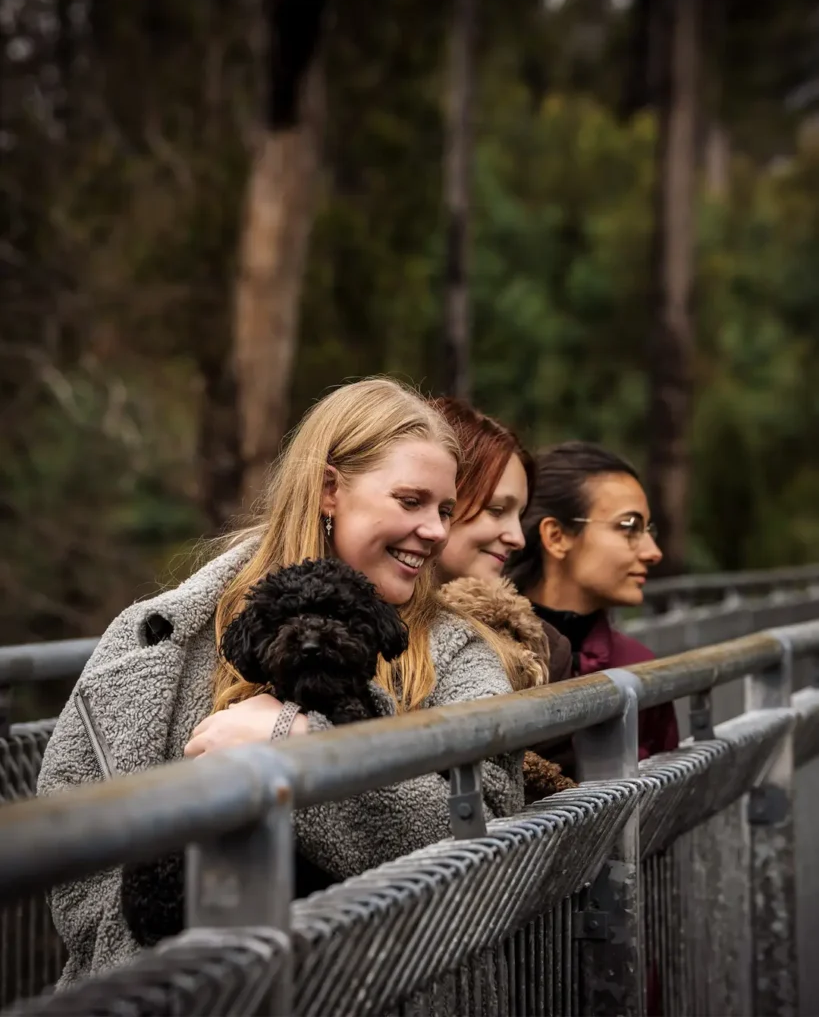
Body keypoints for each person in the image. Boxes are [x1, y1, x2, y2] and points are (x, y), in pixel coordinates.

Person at [38, 378, 524, 985]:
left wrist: (291, 744)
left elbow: (495, 834)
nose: (435, 531)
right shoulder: (162, 636)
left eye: (445, 510)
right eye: (410, 501)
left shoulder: (458, 656)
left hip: (370, 984)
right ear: (329, 490)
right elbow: (71, 831)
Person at [432, 398, 576, 799]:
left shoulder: (540, 650)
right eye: (497, 510)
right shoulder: (336, 623)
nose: (516, 537)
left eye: (519, 515)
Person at [506, 441, 679, 771]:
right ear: (557, 537)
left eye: (648, 529)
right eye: (629, 527)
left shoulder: (641, 668)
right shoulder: (482, 653)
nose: (653, 551)